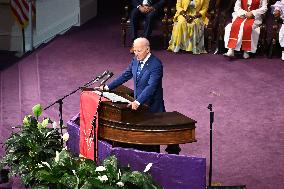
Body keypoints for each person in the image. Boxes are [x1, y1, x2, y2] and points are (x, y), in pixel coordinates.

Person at [104, 37, 165, 113]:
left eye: (139, 51)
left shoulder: (156, 65)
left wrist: (138, 102)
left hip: (152, 107)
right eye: (135, 51)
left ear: (147, 50)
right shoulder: (135, 60)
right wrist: (107, 87)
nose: (136, 54)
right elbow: (125, 75)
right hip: (138, 104)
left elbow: (151, 86)